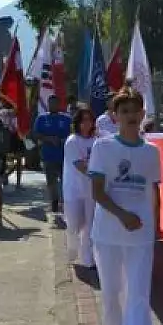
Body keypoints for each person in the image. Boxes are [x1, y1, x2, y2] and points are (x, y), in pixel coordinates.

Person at [87, 87, 162, 325]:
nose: (131, 116)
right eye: (125, 111)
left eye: (135, 111)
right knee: (112, 290)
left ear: (143, 114)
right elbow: (98, 192)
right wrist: (122, 215)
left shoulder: (151, 151)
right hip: (108, 232)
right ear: (115, 116)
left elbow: (153, 190)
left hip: (141, 233)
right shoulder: (103, 148)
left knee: (139, 292)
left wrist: (156, 226)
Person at [63, 106, 98, 268]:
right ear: (77, 123)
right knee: (74, 223)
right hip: (74, 189)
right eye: (83, 120)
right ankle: (71, 250)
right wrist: (100, 176)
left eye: (89, 120)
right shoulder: (72, 141)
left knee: (89, 225)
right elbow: (80, 166)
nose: (87, 124)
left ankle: (87, 258)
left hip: (91, 190)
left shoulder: (96, 140)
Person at [34, 95, 72, 213]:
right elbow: (35, 134)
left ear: (58, 104)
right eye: (50, 103)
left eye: (55, 103)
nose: (53, 105)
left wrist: (62, 140)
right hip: (48, 156)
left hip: (64, 157)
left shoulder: (66, 118)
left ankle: (65, 202)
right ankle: (54, 202)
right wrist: (48, 138)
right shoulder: (41, 118)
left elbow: (74, 134)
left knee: (65, 181)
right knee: (51, 182)